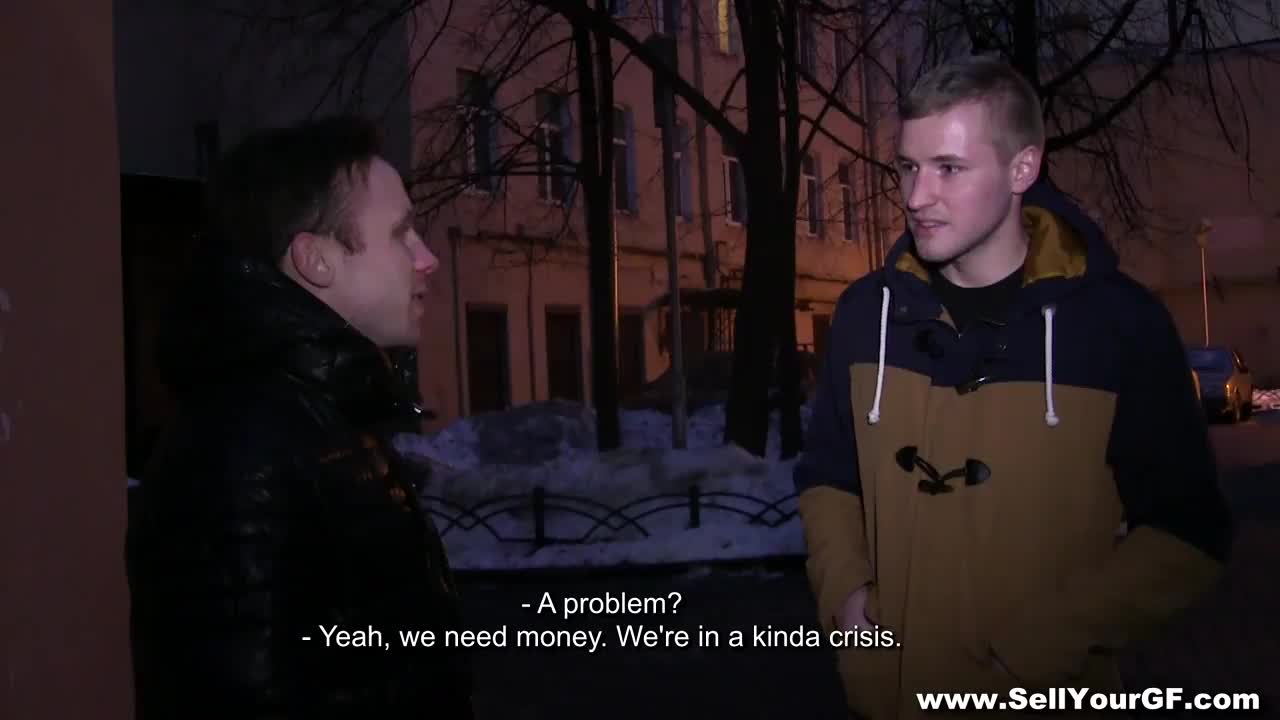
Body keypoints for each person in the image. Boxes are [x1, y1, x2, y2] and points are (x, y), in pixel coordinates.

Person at [794, 54, 1233, 718]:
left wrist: (1041, 645)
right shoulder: (864, 316)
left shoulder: (1118, 325)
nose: (916, 196)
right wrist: (847, 601)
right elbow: (829, 478)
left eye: (948, 168)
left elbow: (1188, 532)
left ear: (1022, 168)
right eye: (908, 167)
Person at [126, 116, 473, 718]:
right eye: (402, 234)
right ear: (316, 259)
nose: (428, 258)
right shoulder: (241, 450)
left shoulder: (322, 415)